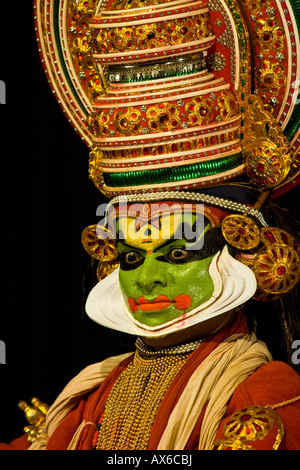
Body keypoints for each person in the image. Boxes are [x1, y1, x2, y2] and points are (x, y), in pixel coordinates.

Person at [1, 0, 299, 450]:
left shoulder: (264, 394)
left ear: (242, 253)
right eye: (131, 257)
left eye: (178, 254)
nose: (148, 278)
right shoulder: (93, 393)